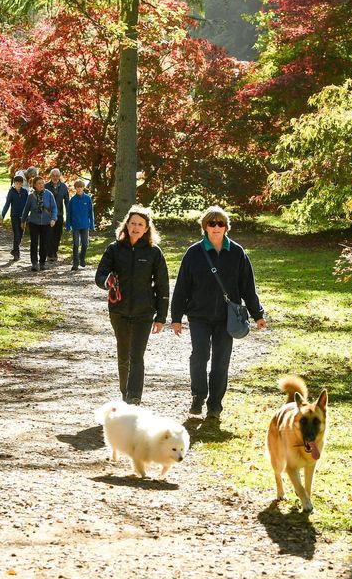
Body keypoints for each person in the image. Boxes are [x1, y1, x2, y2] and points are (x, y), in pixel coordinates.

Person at [170, 205, 265, 419]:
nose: (215, 227)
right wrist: (176, 317)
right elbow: (182, 286)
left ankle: (215, 404)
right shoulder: (194, 253)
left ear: (226, 227)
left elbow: (247, 286)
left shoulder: (237, 253)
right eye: (211, 223)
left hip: (226, 318)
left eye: (220, 223)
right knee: (199, 356)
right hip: (199, 316)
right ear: (204, 227)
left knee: (221, 361)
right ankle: (198, 396)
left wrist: (257, 314)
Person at [95, 206, 170, 405]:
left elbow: (163, 286)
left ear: (147, 229)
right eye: (133, 223)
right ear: (126, 225)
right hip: (119, 311)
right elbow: (99, 275)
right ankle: (124, 392)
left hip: (144, 312)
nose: (136, 227)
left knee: (137, 356)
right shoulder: (114, 249)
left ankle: (134, 397)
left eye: (140, 224)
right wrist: (107, 281)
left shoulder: (154, 252)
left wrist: (161, 317)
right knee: (123, 356)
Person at [22, 175, 58, 272]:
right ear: (34, 185)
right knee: (34, 243)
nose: (41, 185)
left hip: (46, 223)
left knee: (44, 243)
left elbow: (54, 208)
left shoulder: (49, 194)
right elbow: (26, 210)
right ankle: (34, 263)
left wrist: (53, 219)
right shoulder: (31, 196)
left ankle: (42, 263)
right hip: (34, 222)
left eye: (42, 183)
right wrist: (23, 221)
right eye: (39, 183)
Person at [65, 179, 95, 271]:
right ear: (75, 188)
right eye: (78, 187)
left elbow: (90, 212)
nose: (79, 189)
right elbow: (69, 213)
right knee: (76, 244)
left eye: (81, 187)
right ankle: (75, 263)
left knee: (85, 244)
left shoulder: (87, 199)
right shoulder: (73, 200)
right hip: (75, 225)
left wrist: (92, 224)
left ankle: (82, 258)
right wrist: (68, 225)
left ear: (83, 188)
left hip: (85, 225)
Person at [1, 173, 28, 260]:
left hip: (23, 217)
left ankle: (14, 249)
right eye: (17, 183)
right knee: (16, 234)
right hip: (14, 216)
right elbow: (7, 204)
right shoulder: (11, 192)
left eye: (20, 183)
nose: (18, 185)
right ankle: (17, 253)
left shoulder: (25, 192)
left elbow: (28, 204)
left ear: (22, 184)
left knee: (20, 235)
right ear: (14, 183)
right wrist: (2, 215)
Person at [46, 168, 70, 263]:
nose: (55, 177)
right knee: (49, 234)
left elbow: (67, 201)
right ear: (51, 176)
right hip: (48, 215)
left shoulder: (64, 187)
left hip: (59, 215)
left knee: (57, 234)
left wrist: (69, 214)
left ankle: (54, 251)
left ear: (59, 176)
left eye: (57, 176)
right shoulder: (46, 186)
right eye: (53, 176)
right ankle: (49, 253)